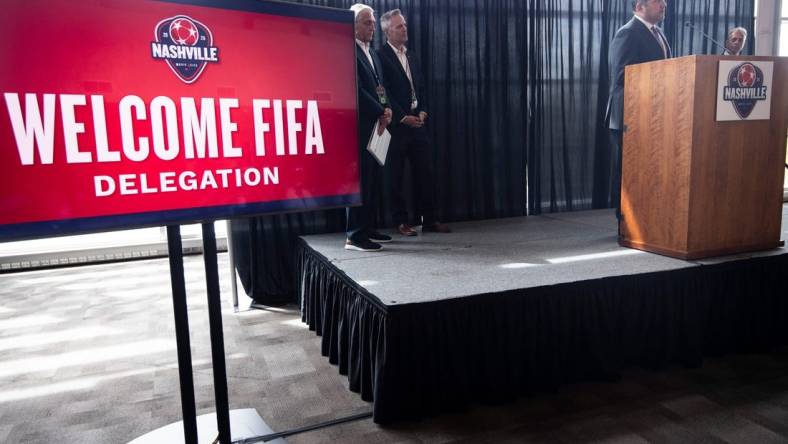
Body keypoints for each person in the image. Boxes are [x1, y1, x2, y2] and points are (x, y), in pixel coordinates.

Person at [376, 9, 450, 236]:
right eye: (399, 26)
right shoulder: (380, 56)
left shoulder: (412, 55)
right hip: (398, 127)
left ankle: (430, 219)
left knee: (426, 173)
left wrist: (424, 111)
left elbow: (422, 88)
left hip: (418, 124)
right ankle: (401, 222)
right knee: (395, 177)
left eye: (405, 25)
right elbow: (384, 92)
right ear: (388, 31)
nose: (404, 29)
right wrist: (401, 117)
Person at [606, 0, 671, 226]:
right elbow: (622, 75)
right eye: (658, 2)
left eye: (664, 2)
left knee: (648, 168)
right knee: (628, 170)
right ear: (639, 6)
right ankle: (625, 221)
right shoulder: (628, 33)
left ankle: (646, 218)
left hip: (653, 114)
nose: (664, 5)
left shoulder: (658, 33)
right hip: (629, 114)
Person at [345, 4, 393, 251]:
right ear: (353, 25)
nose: (372, 27)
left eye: (373, 22)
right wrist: (378, 110)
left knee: (373, 180)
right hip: (359, 126)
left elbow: (379, 87)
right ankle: (354, 235)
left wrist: (387, 110)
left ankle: (367, 227)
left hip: (377, 124)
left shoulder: (372, 54)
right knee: (360, 180)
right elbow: (356, 90)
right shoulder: (347, 50)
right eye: (367, 22)